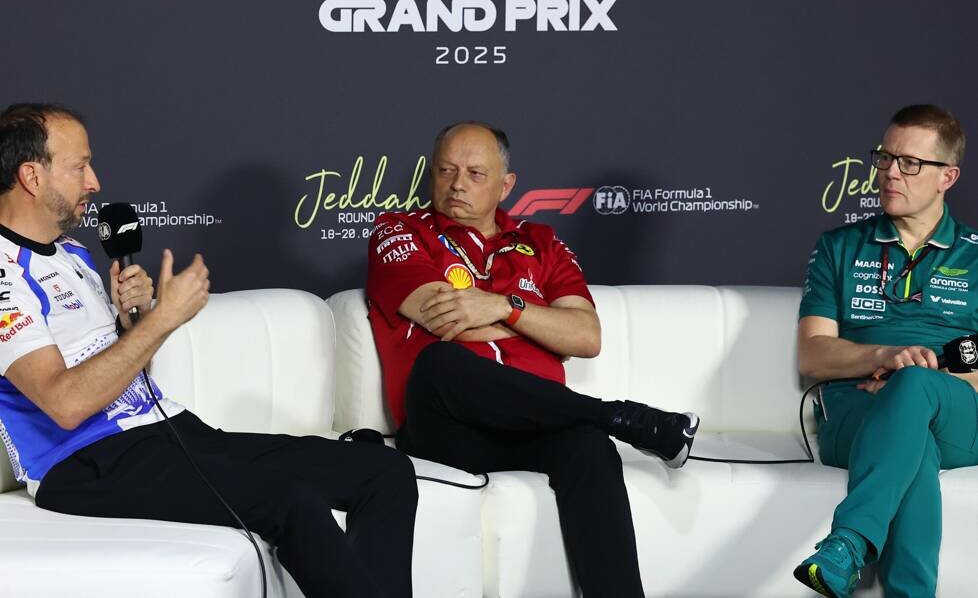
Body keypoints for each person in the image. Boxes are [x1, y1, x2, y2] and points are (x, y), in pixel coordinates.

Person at [0, 103, 417, 598]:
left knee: (385, 471)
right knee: (291, 499)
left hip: (168, 432)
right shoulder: (4, 274)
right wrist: (163, 320)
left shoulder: (73, 252)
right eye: (80, 167)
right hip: (85, 465)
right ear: (32, 176)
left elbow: (127, 371)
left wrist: (134, 322)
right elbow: (65, 404)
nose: (95, 182)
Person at [366, 121, 699, 597]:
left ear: (506, 185)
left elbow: (585, 336)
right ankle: (620, 416)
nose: (457, 184)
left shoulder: (542, 242)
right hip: (444, 427)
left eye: (475, 174)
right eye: (446, 170)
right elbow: (449, 319)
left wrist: (506, 307)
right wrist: (544, 326)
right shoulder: (400, 230)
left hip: (530, 426)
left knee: (588, 445)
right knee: (442, 361)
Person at [793, 104, 978, 598]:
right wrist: (883, 358)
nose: (891, 172)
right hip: (855, 408)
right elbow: (812, 354)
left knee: (914, 389)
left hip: (956, 410)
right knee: (912, 444)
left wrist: (920, 376)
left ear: (948, 176)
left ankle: (849, 543)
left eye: (910, 163)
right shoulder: (839, 246)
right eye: (885, 158)